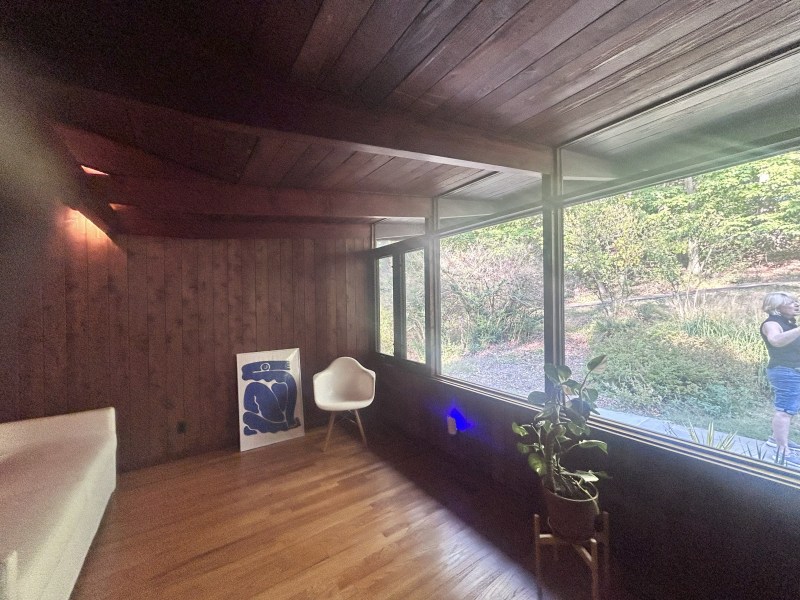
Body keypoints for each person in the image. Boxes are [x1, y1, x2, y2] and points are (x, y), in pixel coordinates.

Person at [760, 292, 800, 466]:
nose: (796, 305)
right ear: (777, 308)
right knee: (784, 411)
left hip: (793, 371)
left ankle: (775, 439)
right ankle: (781, 451)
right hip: (785, 372)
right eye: (791, 303)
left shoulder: (788, 323)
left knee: (790, 409)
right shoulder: (771, 324)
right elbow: (775, 340)